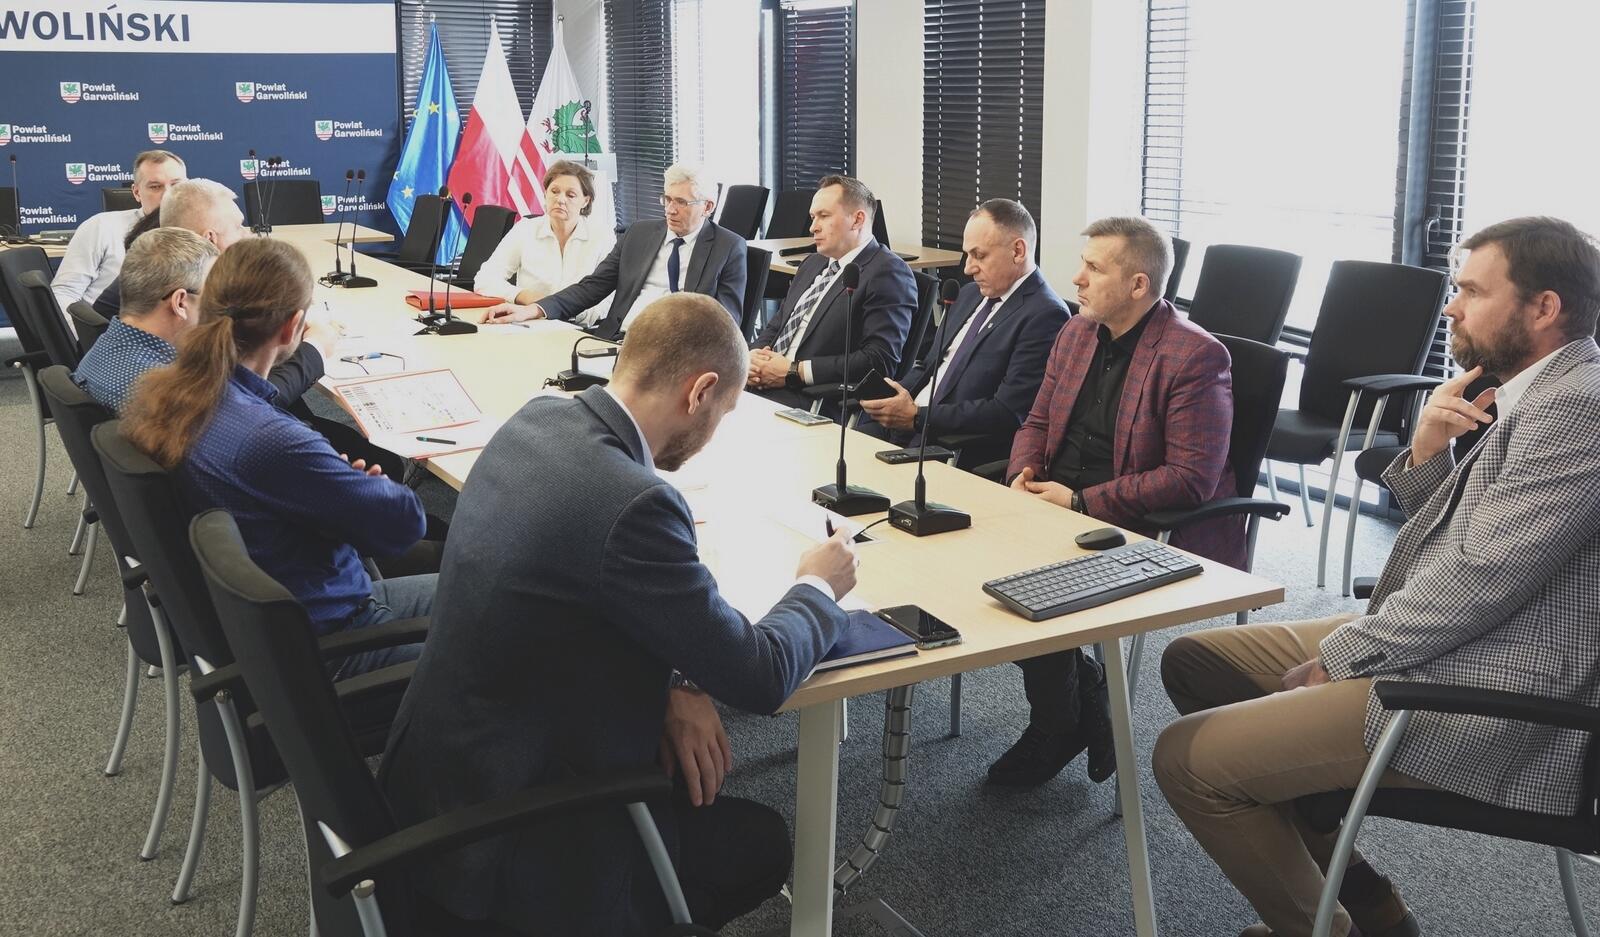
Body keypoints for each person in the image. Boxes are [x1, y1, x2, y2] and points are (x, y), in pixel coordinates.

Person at [1156, 215, 1600, 937]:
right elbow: (1463, 548)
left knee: (1185, 761)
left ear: (1544, 307)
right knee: (1196, 663)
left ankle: (1326, 926)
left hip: (1499, 688)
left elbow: (1480, 578)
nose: (1451, 307)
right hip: (1469, 639)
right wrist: (1428, 453)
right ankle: (1370, 904)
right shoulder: (1540, 393)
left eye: (1472, 291)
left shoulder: (1578, 406)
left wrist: (1342, 659)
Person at [380, 293, 860, 936]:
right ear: (701, 391)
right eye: (722, 414)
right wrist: (818, 585)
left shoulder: (536, 419)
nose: (714, 432)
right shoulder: (636, 503)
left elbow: (578, 604)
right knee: (761, 842)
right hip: (514, 841)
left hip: (435, 787)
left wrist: (676, 680)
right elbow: (760, 674)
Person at [995, 215, 1240, 789]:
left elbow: (1190, 478)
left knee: (1025, 585)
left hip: (1133, 525)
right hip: (1053, 502)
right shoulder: (1076, 332)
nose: (1076, 278)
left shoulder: (1194, 356)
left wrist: (1081, 501)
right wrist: (1021, 475)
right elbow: (1037, 420)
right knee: (966, 575)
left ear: (1137, 285)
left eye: (1093, 268)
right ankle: (1086, 694)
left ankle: (1055, 724)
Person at [120, 238, 432, 678]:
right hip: (332, 639)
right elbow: (405, 524)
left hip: (272, 625)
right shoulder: (270, 439)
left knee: (483, 592)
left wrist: (329, 486)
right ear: (292, 329)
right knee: (506, 624)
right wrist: (356, 486)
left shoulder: (172, 393)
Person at [858, 198, 1069, 467]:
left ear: (1018, 251)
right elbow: (929, 363)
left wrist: (918, 417)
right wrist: (896, 396)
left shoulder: (1045, 315)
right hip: (903, 428)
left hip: (947, 446)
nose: (968, 268)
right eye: (967, 255)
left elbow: (1007, 412)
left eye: (979, 255)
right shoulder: (969, 294)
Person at [483, 163, 745, 339]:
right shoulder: (639, 234)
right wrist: (534, 309)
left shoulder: (728, 247)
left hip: (678, 348)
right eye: (667, 199)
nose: (670, 209)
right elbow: (591, 287)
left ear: (707, 207)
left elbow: (725, 321)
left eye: (681, 202)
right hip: (619, 339)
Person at [748, 175, 916, 409]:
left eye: (824, 216)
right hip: (763, 383)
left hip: (810, 397)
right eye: (813, 217)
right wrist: (753, 359)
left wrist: (794, 371)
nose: (813, 227)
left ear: (857, 220)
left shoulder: (888, 273)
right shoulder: (813, 263)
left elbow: (879, 360)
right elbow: (778, 325)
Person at [474, 159, 617, 324]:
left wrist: (563, 310)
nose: (560, 199)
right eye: (554, 191)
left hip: (579, 325)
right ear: (545, 194)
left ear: (586, 201)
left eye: (570, 195)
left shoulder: (602, 236)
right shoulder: (525, 229)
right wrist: (525, 296)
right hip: (529, 322)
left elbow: (608, 300)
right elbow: (484, 279)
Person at [93, 177, 251, 320]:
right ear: (209, 239)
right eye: (238, 227)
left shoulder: (152, 264)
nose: (247, 235)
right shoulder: (187, 289)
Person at [51, 149, 186, 310]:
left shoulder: (202, 231)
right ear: (136, 192)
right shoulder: (101, 227)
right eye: (155, 187)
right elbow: (65, 292)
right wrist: (84, 327)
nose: (168, 194)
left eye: (176, 185)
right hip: (106, 322)